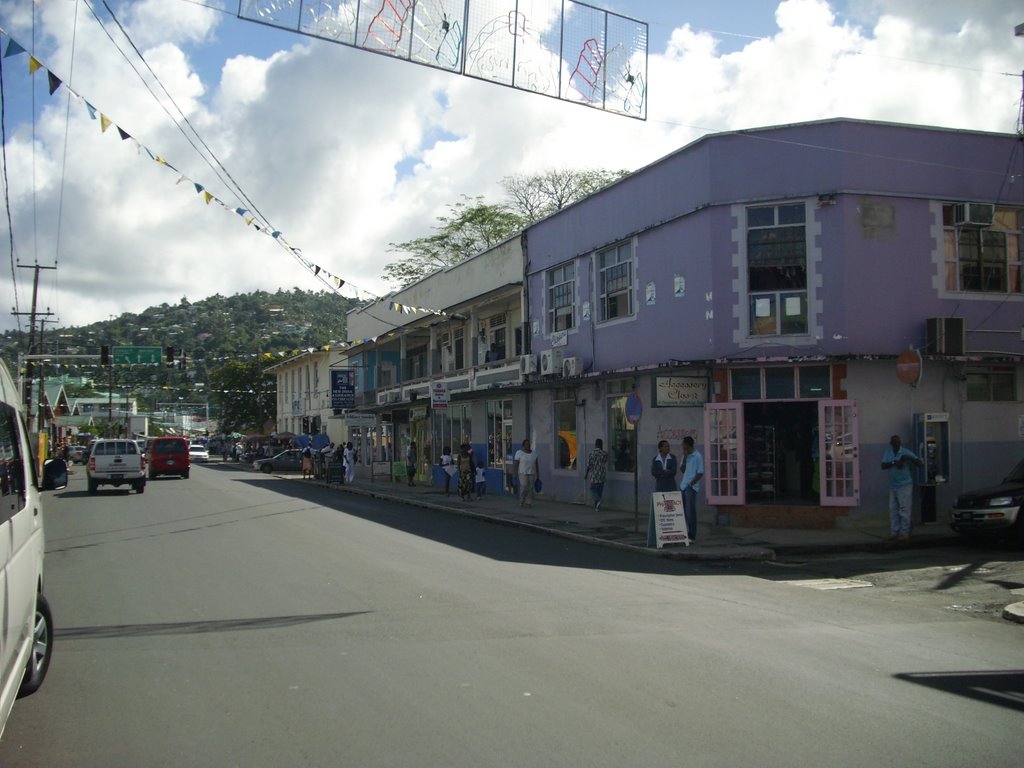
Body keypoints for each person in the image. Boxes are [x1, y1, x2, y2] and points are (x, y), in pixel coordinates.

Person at [882, 434, 923, 541]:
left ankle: (905, 533)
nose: (896, 444)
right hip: (893, 485)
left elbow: (919, 463)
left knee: (904, 509)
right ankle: (894, 532)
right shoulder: (888, 452)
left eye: (898, 442)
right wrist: (894, 462)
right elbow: (883, 465)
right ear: (891, 444)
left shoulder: (905, 452)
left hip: (905, 485)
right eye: (894, 442)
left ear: (900, 443)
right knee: (893, 509)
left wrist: (907, 458)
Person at [679, 436, 705, 543]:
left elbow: (700, 472)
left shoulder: (697, 456)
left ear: (687, 444)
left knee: (690, 512)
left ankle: (692, 534)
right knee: (683, 511)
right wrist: (684, 458)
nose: (681, 446)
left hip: (691, 487)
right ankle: (684, 532)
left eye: (683, 444)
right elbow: (682, 470)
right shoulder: (685, 455)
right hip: (683, 486)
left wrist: (692, 483)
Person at [513, 438, 539, 507]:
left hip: (532, 473)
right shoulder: (519, 453)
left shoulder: (534, 453)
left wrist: (538, 474)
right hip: (522, 472)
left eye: (529, 444)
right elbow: (516, 463)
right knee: (524, 486)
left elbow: (536, 464)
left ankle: (528, 502)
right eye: (526, 444)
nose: (528, 445)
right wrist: (514, 473)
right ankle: (522, 500)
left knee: (531, 487)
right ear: (523, 445)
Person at [585, 438, 609, 511]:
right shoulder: (604, 453)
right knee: (599, 491)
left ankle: (598, 500)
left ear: (595, 444)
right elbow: (604, 461)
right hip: (602, 475)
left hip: (594, 475)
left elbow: (589, 465)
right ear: (601, 445)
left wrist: (586, 474)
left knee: (593, 489)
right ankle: (597, 507)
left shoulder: (592, 453)